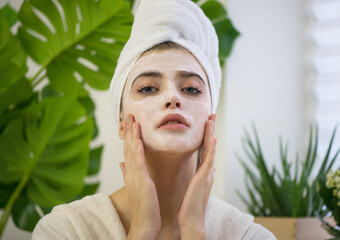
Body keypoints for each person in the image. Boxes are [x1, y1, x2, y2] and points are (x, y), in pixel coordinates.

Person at [32, 0, 276, 239]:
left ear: (210, 118)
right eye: (148, 88)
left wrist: (193, 229)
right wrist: (142, 230)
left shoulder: (247, 236)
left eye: (191, 89)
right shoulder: (66, 230)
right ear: (121, 122)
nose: (172, 97)